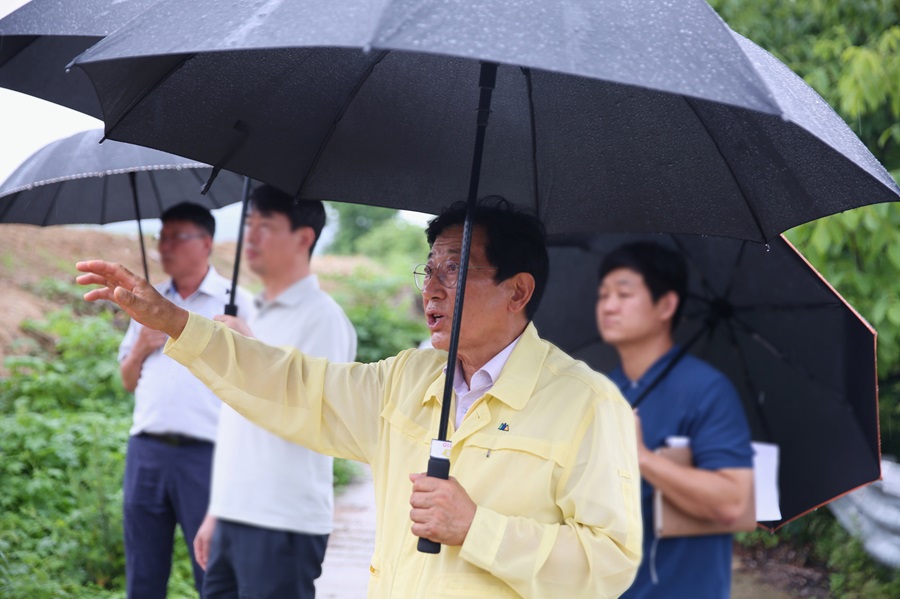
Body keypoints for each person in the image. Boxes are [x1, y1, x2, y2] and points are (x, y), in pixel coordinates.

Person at [78, 198, 642, 599]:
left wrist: (478, 528)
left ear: (517, 290)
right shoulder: (409, 378)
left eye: (456, 269)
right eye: (430, 268)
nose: (432, 288)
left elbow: (609, 565)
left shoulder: (587, 404)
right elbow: (292, 383)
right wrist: (179, 324)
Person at [193, 186, 357, 598]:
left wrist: (249, 347)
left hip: (283, 521)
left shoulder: (325, 319)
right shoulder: (253, 314)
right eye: (249, 225)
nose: (251, 238)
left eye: (266, 227)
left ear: (303, 238)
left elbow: (314, 411)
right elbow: (238, 423)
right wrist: (219, 510)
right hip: (235, 514)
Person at [595, 241, 754, 599]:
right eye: (603, 295)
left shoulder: (706, 390)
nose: (608, 306)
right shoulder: (600, 391)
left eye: (623, 293)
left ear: (666, 304)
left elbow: (732, 502)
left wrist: (641, 456)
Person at [117, 202, 255, 598]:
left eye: (177, 236)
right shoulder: (145, 301)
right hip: (146, 452)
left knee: (212, 573)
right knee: (143, 573)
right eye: (162, 237)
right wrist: (142, 345)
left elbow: (257, 378)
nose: (165, 247)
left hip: (207, 455)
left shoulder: (233, 303)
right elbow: (127, 380)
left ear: (206, 242)